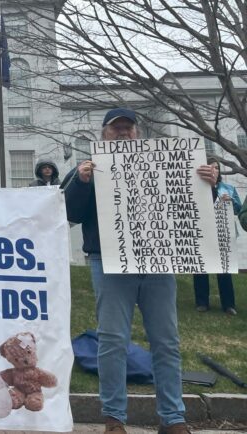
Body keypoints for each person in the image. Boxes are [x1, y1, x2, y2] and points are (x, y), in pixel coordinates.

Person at [61, 108, 216, 434]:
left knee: (167, 341)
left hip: (157, 261)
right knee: (113, 341)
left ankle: (173, 418)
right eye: (115, 129)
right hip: (108, 262)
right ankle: (114, 419)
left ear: (138, 133)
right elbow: (68, 212)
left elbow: (191, 203)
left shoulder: (162, 161)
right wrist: (82, 181)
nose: (122, 133)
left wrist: (208, 183)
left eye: (128, 128)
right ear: (103, 134)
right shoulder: (85, 169)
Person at [194, 157, 241, 315]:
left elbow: (238, 209)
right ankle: (202, 302)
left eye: (216, 168)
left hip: (223, 234)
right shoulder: (197, 188)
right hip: (203, 233)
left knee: (224, 270)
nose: (214, 170)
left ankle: (228, 305)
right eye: (211, 167)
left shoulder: (228, 188)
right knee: (201, 268)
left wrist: (230, 202)